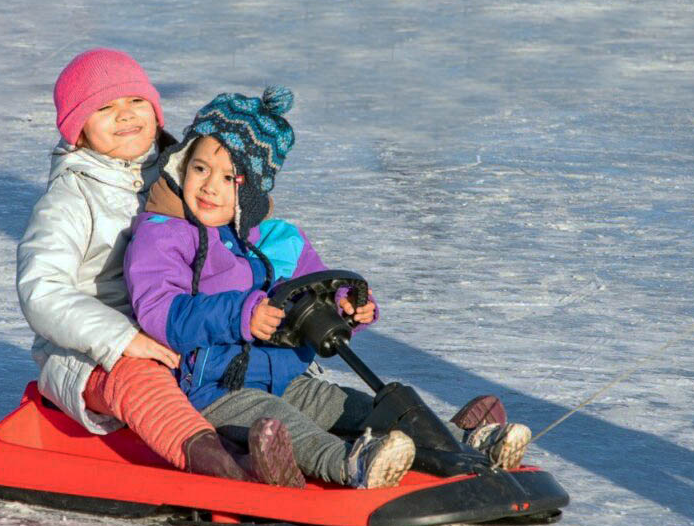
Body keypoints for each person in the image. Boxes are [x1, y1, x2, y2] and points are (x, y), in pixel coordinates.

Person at [123, 87, 532, 489]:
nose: (210, 186)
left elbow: (314, 290)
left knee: (366, 407)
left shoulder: (280, 239)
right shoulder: (165, 235)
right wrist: (241, 315)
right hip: (217, 389)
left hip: (289, 378)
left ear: (251, 190)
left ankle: (463, 446)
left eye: (229, 177)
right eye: (200, 168)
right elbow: (160, 311)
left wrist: (347, 308)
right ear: (182, 164)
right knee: (288, 424)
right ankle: (350, 464)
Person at [16, 49, 266, 484]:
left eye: (135, 101)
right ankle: (222, 463)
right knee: (139, 376)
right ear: (77, 132)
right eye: (104, 107)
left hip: (173, 323)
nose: (125, 115)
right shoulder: (69, 201)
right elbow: (43, 290)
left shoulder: (180, 173)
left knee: (241, 347)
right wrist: (122, 339)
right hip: (93, 351)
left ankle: (292, 437)